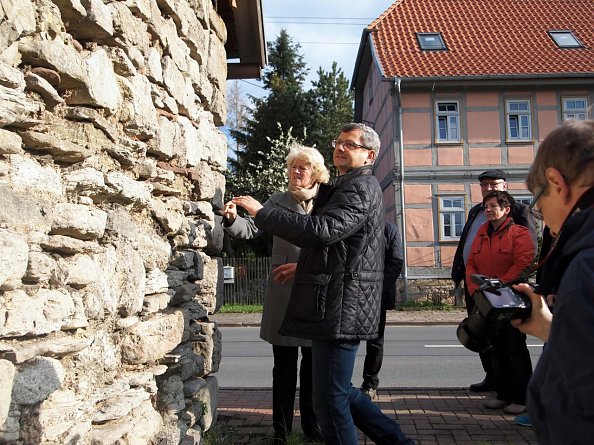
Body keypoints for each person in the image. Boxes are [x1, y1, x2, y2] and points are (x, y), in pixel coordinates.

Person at [232, 123, 414, 444]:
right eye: (339, 142)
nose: (341, 148)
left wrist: (263, 213)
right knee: (339, 392)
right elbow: (337, 248)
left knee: (329, 401)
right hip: (332, 301)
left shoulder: (359, 188)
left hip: (341, 305)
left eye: (350, 145)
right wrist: (302, 268)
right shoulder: (347, 186)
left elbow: (321, 232)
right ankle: (399, 441)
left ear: (369, 155)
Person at [222, 144, 329, 444]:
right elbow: (250, 229)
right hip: (283, 293)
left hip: (315, 294)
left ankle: (311, 426)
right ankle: (281, 431)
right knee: (283, 367)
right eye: (293, 166)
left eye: (303, 167)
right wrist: (232, 220)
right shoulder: (277, 201)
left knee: (312, 369)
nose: (296, 172)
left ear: (315, 173)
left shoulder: (328, 202)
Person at [511, 119, 594, 443]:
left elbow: (580, 404)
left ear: (556, 182)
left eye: (540, 206)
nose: (547, 222)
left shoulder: (586, 267)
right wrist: (550, 329)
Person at [451, 169, 536, 392]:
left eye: (493, 184)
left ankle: (519, 394)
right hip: (480, 289)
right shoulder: (477, 216)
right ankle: (497, 383)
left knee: (513, 344)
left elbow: (527, 256)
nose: (489, 189)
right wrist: (470, 284)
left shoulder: (519, 213)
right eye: (484, 186)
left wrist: (502, 284)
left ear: (504, 186)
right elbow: (469, 254)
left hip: (508, 292)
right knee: (489, 340)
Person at [465, 190, 535, 414]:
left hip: (511, 299)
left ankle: (522, 398)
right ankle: (503, 394)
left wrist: (500, 284)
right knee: (497, 349)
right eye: (486, 206)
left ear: (506, 209)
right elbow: (471, 264)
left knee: (515, 348)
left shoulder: (519, 233)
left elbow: (524, 262)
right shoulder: (482, 232)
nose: (488, 209)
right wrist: (476, 290)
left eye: (493, 206)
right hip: (488, 301)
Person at [360, 221, 403, 399]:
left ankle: (370, 384)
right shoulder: (355, 225)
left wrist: (378, 287)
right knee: (346, 342)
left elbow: (395, 262)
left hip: (378, 295)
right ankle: (343, 384)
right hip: (353, 292)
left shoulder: (389, 229)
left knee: (375, 342)